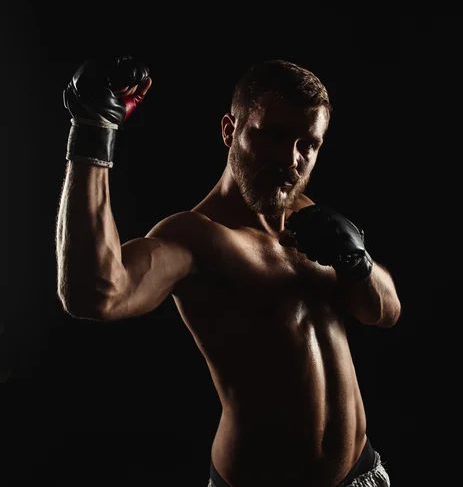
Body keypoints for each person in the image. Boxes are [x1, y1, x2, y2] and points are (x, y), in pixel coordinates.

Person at [56, 55, 401, 487]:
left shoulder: (314, 222)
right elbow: (95, 294)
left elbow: (385, 312)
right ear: (229, 130)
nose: (290, 158)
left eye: (307, 145)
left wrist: (359, 264)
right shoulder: (198, 238)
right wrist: (93, 130)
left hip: (362, 473)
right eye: (273, 134)